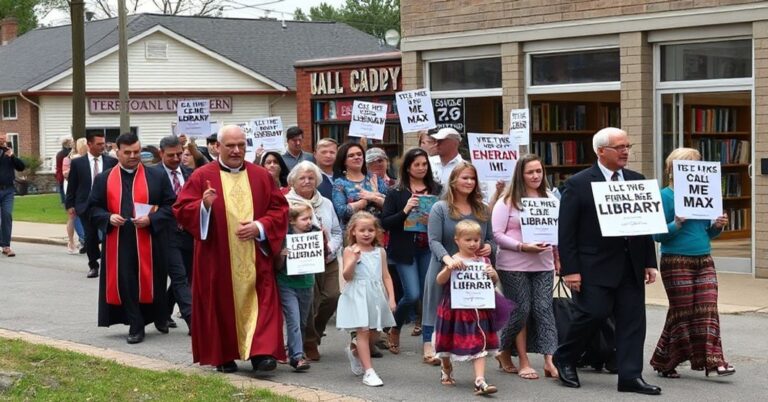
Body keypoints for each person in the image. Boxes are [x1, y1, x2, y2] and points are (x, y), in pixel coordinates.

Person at [173, 124, 289, 373]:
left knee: (264, 302)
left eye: (241, 145)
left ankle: (261, 354)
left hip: (256, 255)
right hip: (217, 257)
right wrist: (203, 207)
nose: (236, 151)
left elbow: (279, 210)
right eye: (230, 146)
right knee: (221, 303)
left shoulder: (261, 176)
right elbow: (182, 210)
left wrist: (259, 227)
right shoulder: (202, 175)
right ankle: (223, 354)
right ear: (217, 147)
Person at [554, 127, 661, 395]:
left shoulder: (636, 180)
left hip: (630, 266)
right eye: (619, 147)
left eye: (628, 146)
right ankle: (565, 357)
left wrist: (649, 261)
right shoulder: (578, 184)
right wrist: (571, 270)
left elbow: (643, 225)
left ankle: (630, 376)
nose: (626, 151)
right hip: (594, 267)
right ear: (601, 151)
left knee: (632, 321)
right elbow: (566, 232)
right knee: (593, 313)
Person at [649, 147, 734, 378]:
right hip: (675, 259)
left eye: (697, 165)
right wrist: (676, 224)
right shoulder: (664, 195)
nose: (693, 169)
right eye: (688, 165)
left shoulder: (706, 192)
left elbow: (707, 233)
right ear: (673, 170)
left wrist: (717, 225)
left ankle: (715, 361)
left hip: (704, 257)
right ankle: (665, 361)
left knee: (708, 308)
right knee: (682, 311)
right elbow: (656, 235)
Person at [89, 132, 175, 344]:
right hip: (120, 240)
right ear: (117, 152)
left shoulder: (157, 176)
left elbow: (171, 206)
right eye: (127, 152)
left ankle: (158, 315)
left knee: (154, 281)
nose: (133, 156)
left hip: (150, 238)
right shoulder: (104, 178)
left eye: (137, 151)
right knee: (126, 282)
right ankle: (136, 325)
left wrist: (152, 219)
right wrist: (108, 217)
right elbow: (92, 208)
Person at [422, 161, 496, 368]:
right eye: (465, 177)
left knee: (471, 311)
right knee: (437, 307)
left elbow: (491, 238)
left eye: (472, 178)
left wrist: (490, 248)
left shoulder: (482, 209)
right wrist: (448, 259)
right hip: (444, 267)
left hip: (472, 272)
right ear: (454, 181)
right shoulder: (440, 208)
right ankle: (431, 344)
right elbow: (433, 240)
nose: (469, 182)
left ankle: (472, 348)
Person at [492, 154, 559, 380]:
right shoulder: (507, 201)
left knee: (544, 309)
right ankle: (516, 356)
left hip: (544, 263)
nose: (535, 176)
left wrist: (558, 259)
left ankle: (550, 359)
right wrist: (522, 246)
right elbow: (497, 235)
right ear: (520, 174)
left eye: (539, 171)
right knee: (522, 309)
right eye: (530, 172)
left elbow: (557, 232)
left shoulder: (551, 198)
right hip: (513, 264)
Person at [381, 148, 441, 358]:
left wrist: (431, 220)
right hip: (404, 250)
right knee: (412, 294)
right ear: (407, 167)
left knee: (428, 295)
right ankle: (395, 326)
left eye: (425, 164)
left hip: (428, 249)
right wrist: (405, 210)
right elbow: (385, 222)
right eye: (417, 165)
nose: (422, 168)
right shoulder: (396, 192)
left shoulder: (437, 189)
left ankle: (428, 341)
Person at [284, 161, 343, 361]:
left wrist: (330, 248)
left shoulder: (325, 202)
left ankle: (314, 335)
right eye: (303, 178)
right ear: (293, 180)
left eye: (311, 178)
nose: (308, 181)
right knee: (309, 304)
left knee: (332, 296)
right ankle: (308, 342)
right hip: (303, 262)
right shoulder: (286, 202)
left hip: (328, 259)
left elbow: (336, 231)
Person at [434, 219, 500, 395]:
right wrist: (449, 269)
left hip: (478, 309)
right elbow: (440, 280)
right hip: (454, 308)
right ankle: (446, 365)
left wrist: (493, 274)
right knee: (448, 343)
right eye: (468, 240)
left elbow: (492, 283)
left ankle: (480, 380)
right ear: (457, 240)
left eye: (476, 240)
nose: (473, 244)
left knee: (480, 342)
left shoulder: (484, 260)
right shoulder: (453, 259)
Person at [336, 211, 396, 387]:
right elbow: (347, 276)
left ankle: (355, 351)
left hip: (376, 296)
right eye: (362, 230)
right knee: (363, 331)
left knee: (374, 335)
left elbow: (386, 276)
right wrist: (354, 259)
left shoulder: (380, 252)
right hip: (357, 295)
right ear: (353, 231)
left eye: (370, 230)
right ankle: (369, 372)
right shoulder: (349, 250)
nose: (367, 233)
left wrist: (391, 298)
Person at [151, 135, 193, 334]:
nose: (176, 159)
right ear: (161, 154)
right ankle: (193, 321)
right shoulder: (151, 175)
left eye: (179, 154)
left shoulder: (189, 173)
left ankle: (163, 313)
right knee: (179, 277)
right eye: (171, 155)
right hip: (165, 234)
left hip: (189, 234)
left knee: (187, 276)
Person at [65, 131, 118, 277]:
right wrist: (70, 205)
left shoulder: (111, 162)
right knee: (90, 235)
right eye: (99, 144)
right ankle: (93, 265)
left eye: (103, 143)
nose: (103, 147)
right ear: (89, 144)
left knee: (108, 234)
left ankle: (109, 263)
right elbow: (73, 185)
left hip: (106, 205)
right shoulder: (78, 163)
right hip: (85, 205)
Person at [276, 202, 317, 372]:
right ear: (292, 221)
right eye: (304, 219)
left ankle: (291, 349)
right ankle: (297, 357)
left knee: (301, 321)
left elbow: (320, 258)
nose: (308, 222)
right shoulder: (284, 237)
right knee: (293, 319)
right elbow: (277, 266)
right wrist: (282, 255)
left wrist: (323, 241)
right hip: (287, 283)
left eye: (310, 218)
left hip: (307, 283)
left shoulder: (314, 233)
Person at [332, 142, 388, 229]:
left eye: (359, 154)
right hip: (353, 233)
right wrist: (364, 201)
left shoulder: (374, 178)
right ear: (344, 161)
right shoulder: (340, 183)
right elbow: (342, 212)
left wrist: (374, 198)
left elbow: (390, 205)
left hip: (378, 230)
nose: (357, 157)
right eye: (351, 155)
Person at [0, 131, 25, 257]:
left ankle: (6, 246)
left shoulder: (9, 153)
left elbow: (21, 167)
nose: (2, 141)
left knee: (7, 215)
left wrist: (13, 156)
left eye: (4, 139)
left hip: (8, 190)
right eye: (0, 139)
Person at [63, 138, 87, 254]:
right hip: (72, 187)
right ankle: (72, 241)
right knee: (73, 214)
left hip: (83, 187)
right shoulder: (71, 159)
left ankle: (83, 239)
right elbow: (65, 174)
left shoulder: (91, 159)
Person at [55, 136, 73, 203]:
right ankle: (66, 202)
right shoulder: (68, 153)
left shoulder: (59, 153)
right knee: (65, 188)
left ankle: (64, 202)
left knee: (62, 189)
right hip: (65, 173)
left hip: (60, 173)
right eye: (70, 142)